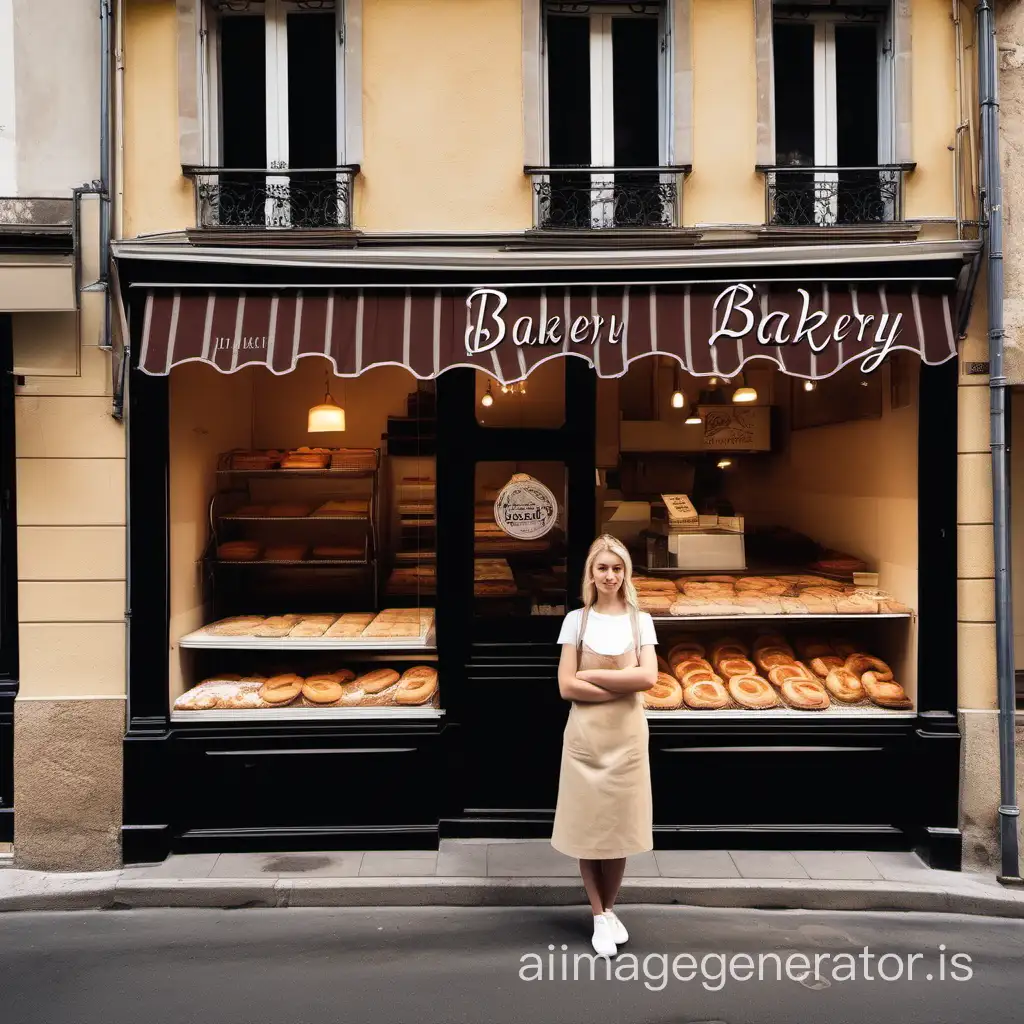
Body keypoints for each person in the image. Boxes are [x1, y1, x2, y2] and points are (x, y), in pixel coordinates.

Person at [551, 533, 658, 957]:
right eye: (603, 568)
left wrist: (591, 678)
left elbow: (648, 679)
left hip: (627, 741)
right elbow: (564, 687)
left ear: (625, 573)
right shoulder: (575, 621)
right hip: (585, 742)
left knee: (619, 830)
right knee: (588, 830)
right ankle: (599, 915)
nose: (610, 575)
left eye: (617, 568)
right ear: (591, 574)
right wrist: (622, 685)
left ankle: (609, 910)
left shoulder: (640, 620)